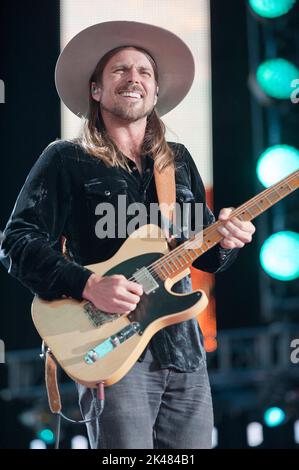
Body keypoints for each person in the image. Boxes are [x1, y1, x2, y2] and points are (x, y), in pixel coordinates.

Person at [0, 21, 255, 449]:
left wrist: (226, 239)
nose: (134, 78)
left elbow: (204, 255)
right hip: (110, 349)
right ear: (96, 90)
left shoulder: (177, 162)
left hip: (184, 353)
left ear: (155, 94)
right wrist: (89, 285)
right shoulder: (66, 159)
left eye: (145, 72)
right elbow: (17, 241)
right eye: (120, 70)